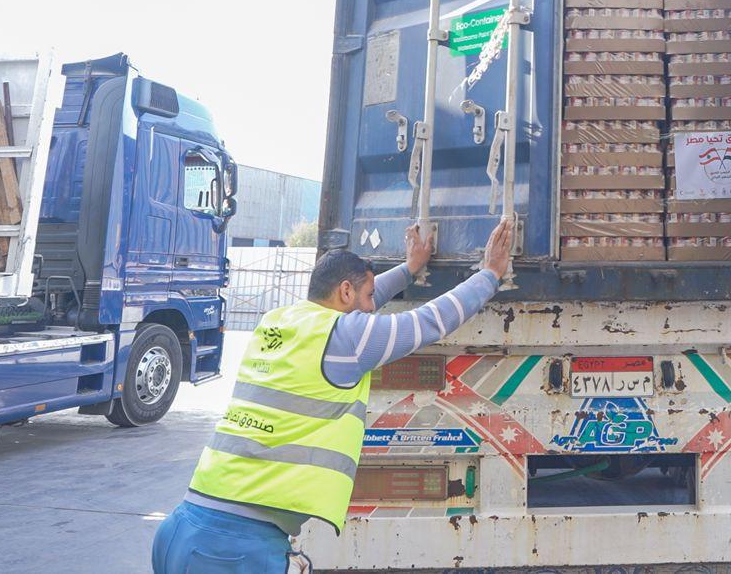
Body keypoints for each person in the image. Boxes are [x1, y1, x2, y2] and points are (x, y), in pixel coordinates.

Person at [151, 218, 514, 573]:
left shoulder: (278, 321)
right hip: (235, 548)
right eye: (369, 297)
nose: (374, 307)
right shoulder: (344, 336)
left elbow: (359, 303)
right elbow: (427, 322)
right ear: (344, 292)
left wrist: (408, 269)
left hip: (182, 529)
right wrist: (490, 274)